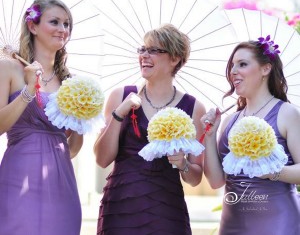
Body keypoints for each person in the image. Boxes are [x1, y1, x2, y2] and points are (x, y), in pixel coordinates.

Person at [94, 23, 206, 234]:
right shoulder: (120, 96)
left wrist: (182, 164)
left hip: (166, 209)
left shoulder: (194, 108)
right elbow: (101, 159)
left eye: (153, 50)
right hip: (121, 206)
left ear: (175, 59)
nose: (144, 55)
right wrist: (119, 114)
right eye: (142, 49)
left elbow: (196, 177)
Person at [0, 0, 83, 235]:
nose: (63, 29)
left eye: (67, 24)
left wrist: (79, 122)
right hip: (19, 174)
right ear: (33, 26)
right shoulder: (8, 69)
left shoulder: (71, 83)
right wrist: (28, 89)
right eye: (55, 22)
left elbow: (73, 148)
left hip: (61, 181)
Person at [201, 37, 300, 235]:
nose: (233, 71)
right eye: (232, 66)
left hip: (278, 223)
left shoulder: (287, 113)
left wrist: (271, 171)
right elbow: (216, 181)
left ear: (265, 69)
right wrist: (210, 136)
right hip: (233, 223)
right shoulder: (229, 121)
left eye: (242, 64)